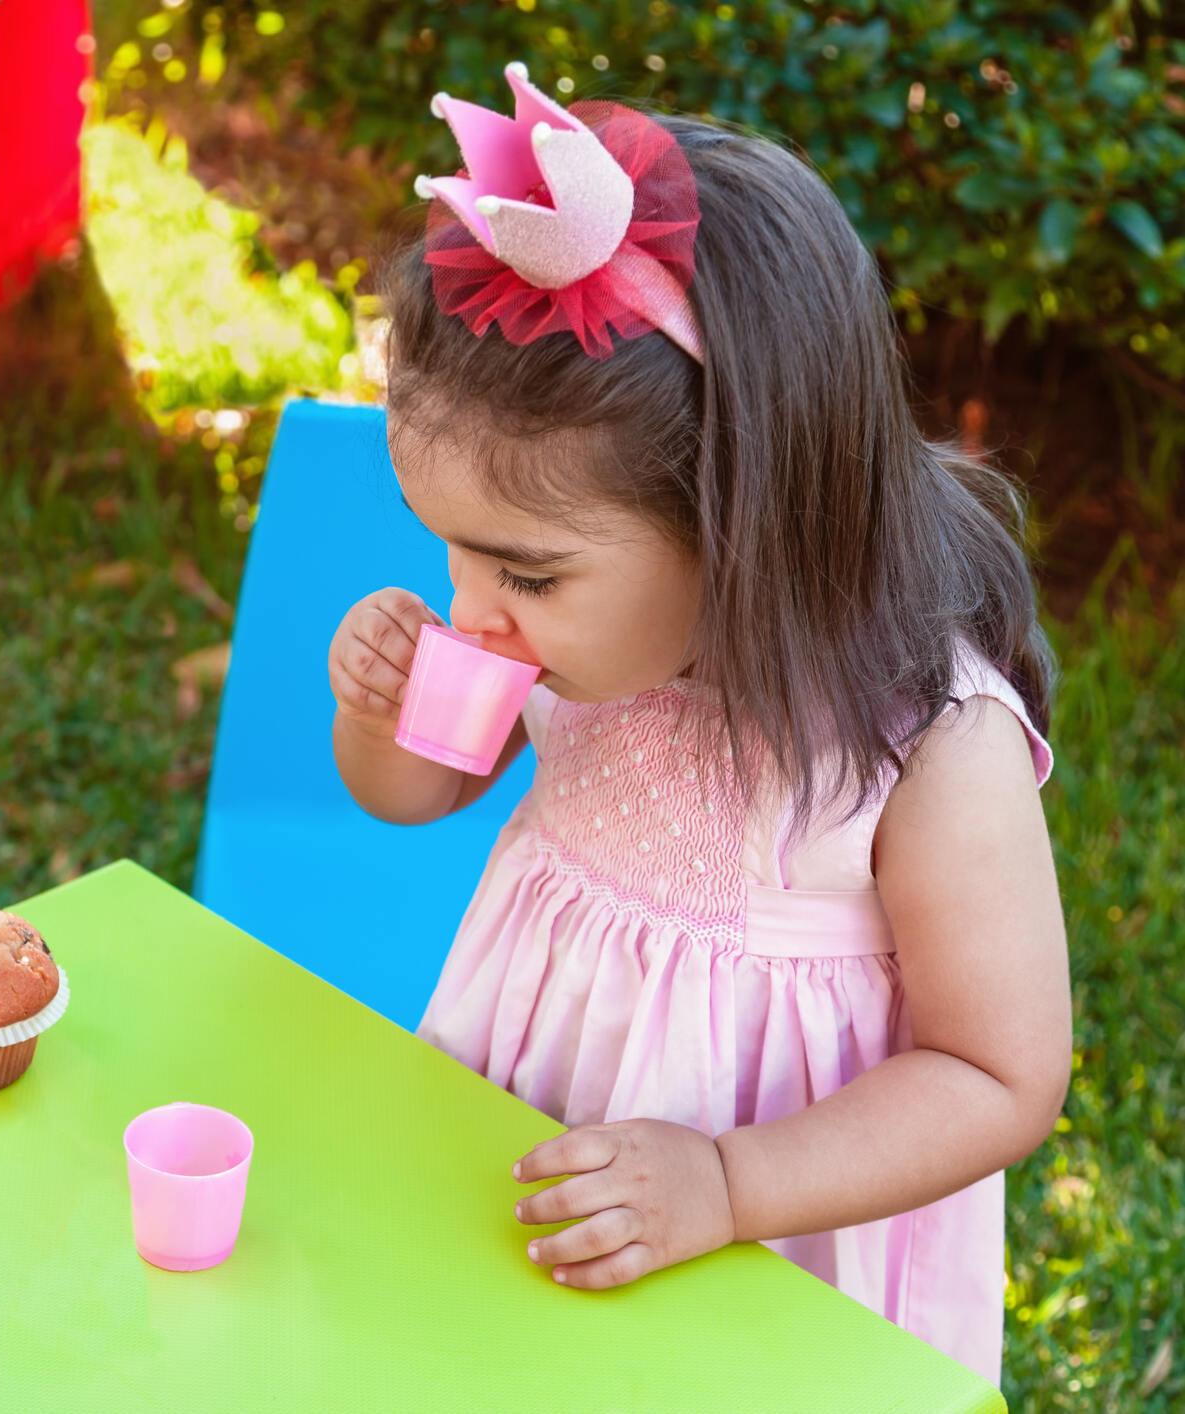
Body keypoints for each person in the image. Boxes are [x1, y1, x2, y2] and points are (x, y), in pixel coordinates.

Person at [327, 62, 1070, 1381]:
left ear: (739, 517)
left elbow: (997, 1071)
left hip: (778, 1247)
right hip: (542, 1177)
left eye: (526, 572)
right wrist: (378, 709)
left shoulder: (927, 746)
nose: (472, 609)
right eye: (450, 556)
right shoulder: (576, 659)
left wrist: (726, 1182)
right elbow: (408, 794)